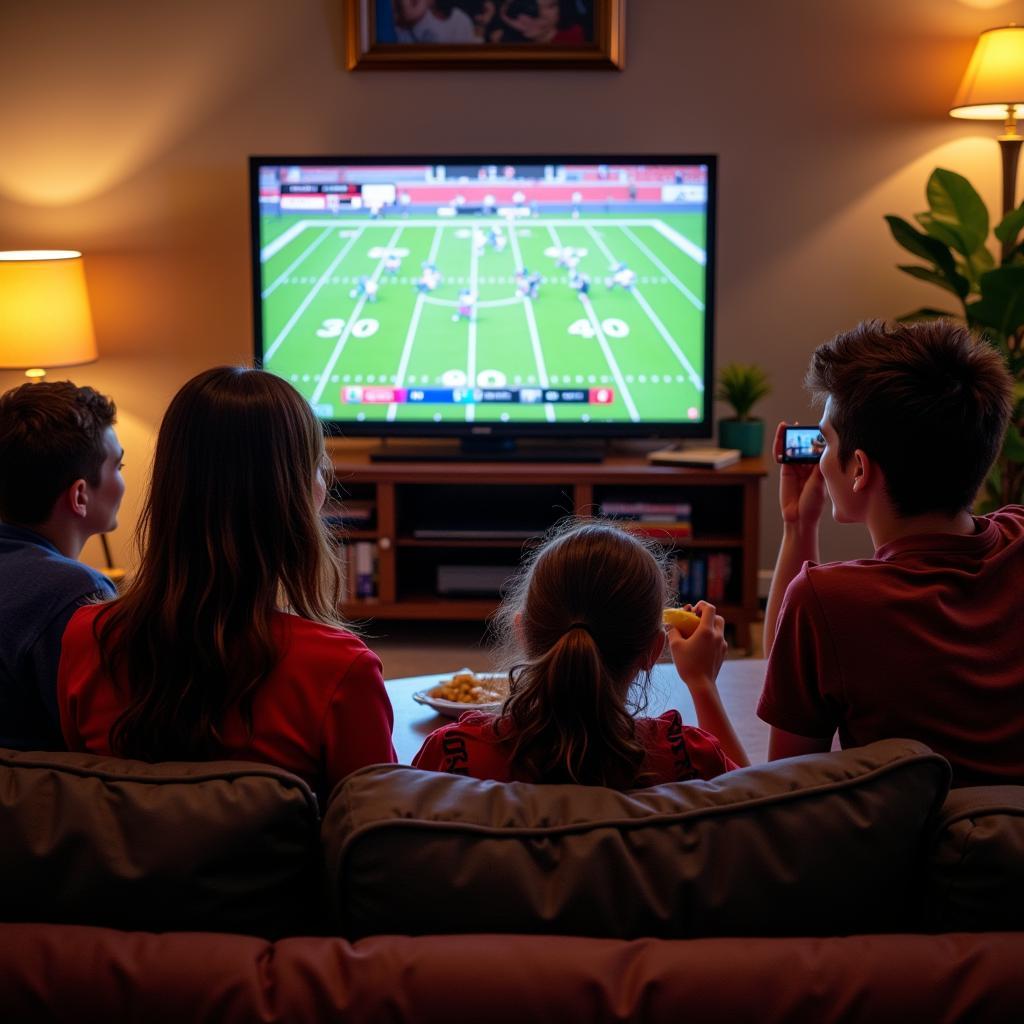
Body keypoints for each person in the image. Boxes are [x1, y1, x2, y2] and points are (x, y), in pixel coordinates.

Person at [58, 367, 396, 799]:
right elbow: (374, 833)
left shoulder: (86, 636)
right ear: (294, 497)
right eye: (316, 468)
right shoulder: (341, 668)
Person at [757, 319, 1022, 785]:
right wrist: (802, 523)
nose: (820, 455)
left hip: (913, 853)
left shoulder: (829, 600)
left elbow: (786, 786)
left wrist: (798, 527)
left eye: (827, 441)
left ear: (859, 469)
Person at [413, 520, 748, 787]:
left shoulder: (451, 757)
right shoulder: (687, 759)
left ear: (523, 633)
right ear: (652, 651)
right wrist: (703, 684)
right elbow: (757, 810)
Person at [0, 381, 124, 751]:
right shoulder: (79, 596)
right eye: (119, 465)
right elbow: (113, 745)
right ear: (80, 495)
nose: (122, 479)